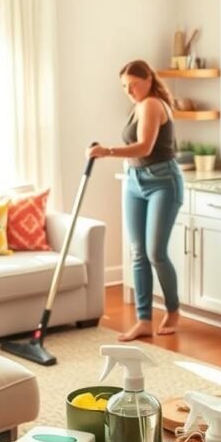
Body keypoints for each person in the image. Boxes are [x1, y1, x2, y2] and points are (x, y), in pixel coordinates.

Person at [87, 59, 184, 339]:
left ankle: (173, 308)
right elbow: (137, 151)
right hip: (134, 182)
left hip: (163, 182)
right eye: (124, 87)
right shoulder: (138, 106)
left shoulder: (153, 104)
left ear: (149, 80)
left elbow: (145, 146)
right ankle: (144, 321)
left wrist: (106, 151)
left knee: (156, 252)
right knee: (138, 252)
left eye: (133, 85)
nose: (129, 91)